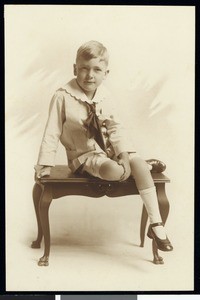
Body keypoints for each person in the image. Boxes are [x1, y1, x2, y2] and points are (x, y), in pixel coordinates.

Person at [35, 40, 173, 252]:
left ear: (106, 73)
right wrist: (44, 165)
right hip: (84, 157)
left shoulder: (106, 96)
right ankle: (144, 165)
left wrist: (123, 154)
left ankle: (156, 224)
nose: (90, 75)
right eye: (84, 68)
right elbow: (51, 132)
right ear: (75, 69)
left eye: (97, 70)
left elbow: (116, 129)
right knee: (114, 171)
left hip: (111, 151)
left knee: (135, 164)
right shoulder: (62, 96)